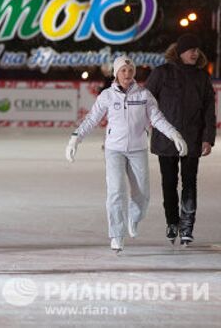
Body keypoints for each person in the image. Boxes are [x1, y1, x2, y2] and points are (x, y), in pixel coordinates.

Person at [66, 56, 187, 252]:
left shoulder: (144, 95)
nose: (127, 74)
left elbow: (157, 118)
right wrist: (75, 138)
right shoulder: (107, 96)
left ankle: (134, 217)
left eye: (130, 71)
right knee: (115, 192)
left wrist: (174, 134)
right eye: (123, 70)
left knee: (142, 195)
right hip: (114, 150)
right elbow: (91, 119)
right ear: (116, 73)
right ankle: (116, 234)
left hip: (138, 149)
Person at [145, 33, 216, 245]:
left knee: (189, 183)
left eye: (197, 50)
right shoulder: (162, 73)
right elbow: (146, 101)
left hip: (192, 139)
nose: (195, 53)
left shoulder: (202, 77)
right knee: (169, 182)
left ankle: (186, 226)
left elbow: (209, 110)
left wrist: (207, 138)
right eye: (190, 49)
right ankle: (172, 222)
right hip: (166, 139)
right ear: (180, 52)